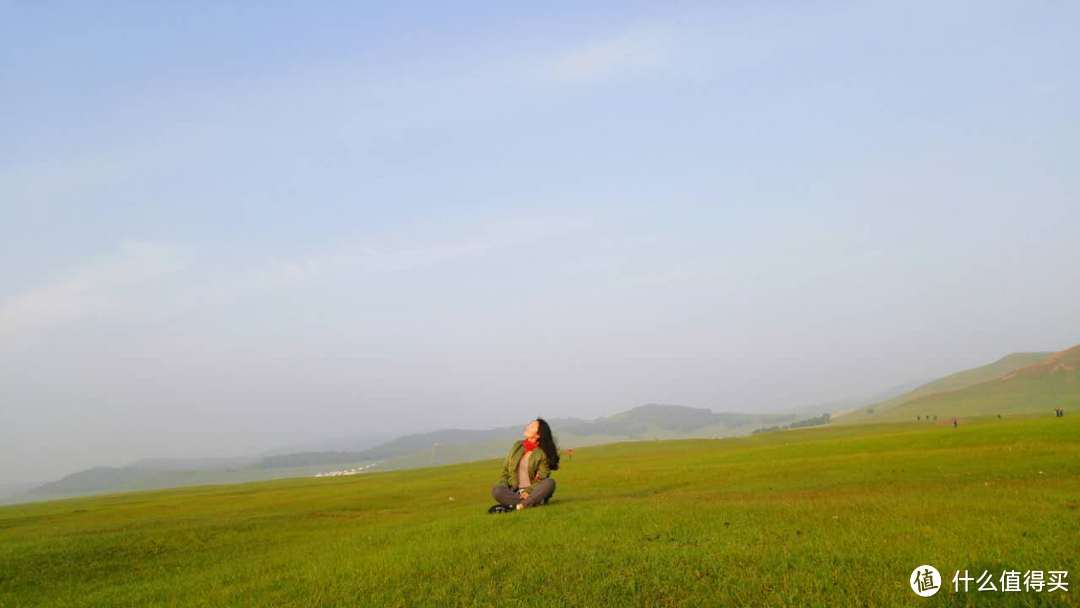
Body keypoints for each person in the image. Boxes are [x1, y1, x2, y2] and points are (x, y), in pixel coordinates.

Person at [489, 418, 559, 512]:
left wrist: (528, 491)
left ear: (538, 434)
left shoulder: (542, 454)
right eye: (529, 424)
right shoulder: (517, 446)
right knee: (496, 490)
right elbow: (506, 471)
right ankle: (528, 503)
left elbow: (542, 478)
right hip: (515, 493)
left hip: (533, 491)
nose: (527, 427)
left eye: (532, 426)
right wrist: (504, 486)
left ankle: (516, 506)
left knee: (550, 483)